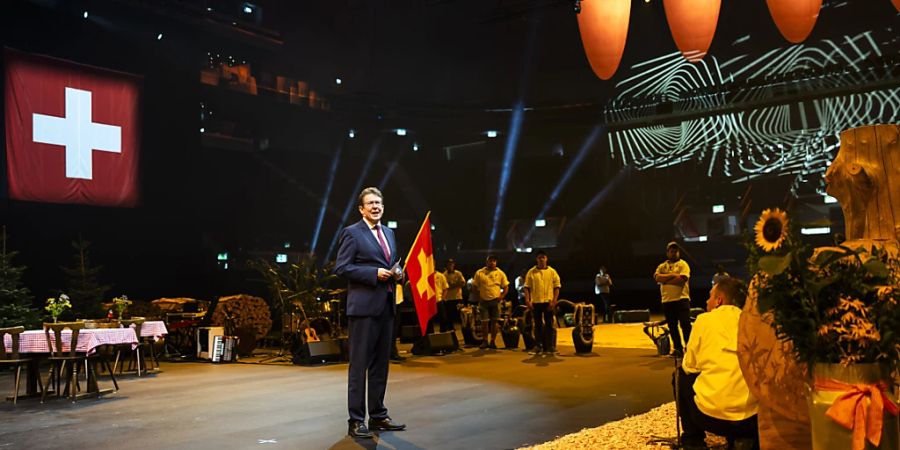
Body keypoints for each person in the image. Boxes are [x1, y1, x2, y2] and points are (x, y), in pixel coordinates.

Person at [334, 187, 406, 439]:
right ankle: (355, 420)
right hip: (363, 308)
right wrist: (373, 274)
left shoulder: (389, 233)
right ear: (361, 209)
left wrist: (398, 274)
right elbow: (342, 267)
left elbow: (391, 264)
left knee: (380, 365)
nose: (375, 207)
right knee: (359, 366)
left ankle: (378, 416)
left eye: (379, 203)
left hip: (386, 305)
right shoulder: (352, 233)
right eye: (370, 203)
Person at [677, 277, 759, 449]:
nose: (707, 301)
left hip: (709, 418)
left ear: (718, 301)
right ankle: (743, 439)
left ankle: (693, 440)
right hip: (752, 419)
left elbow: (689, 366)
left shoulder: (704, 320)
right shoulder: (753, 322)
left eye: (710, 297)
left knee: (681, 375)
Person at [654, 241, 692, 358]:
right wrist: (673, 275)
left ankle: (690, 349)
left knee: (685, 324)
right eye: (671, 251)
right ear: (667, 253)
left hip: (682, 299)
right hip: (667, 300)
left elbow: (682, 279)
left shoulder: (683, 264)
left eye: (676, 251)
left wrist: (665, 279)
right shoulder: (662, 266)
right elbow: (657, 278)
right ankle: (678, 349)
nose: (674, 253)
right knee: (672, 326)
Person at [524, 250, 561, 355]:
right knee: (537, 325)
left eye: (543, 257)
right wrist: (527, 300)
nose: (541, 259)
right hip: (536, 302)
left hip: (548, 302)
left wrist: (554, 301)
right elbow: (527, 287)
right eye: (539, 257)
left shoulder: (552, 272)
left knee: (550, 325)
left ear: (546, 259)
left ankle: (551, 347)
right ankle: (538, 346)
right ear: (536, 259)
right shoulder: (531, 272)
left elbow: (557, 287)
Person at [472, 255, 509, 349]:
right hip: (483, 301)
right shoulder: (480, 273)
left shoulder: (500, 273)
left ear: (496, 262)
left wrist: (501, 296)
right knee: (484, 322)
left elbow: (506, 286)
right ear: (486, 262)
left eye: (494, 261)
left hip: (495, 301)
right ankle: (485, 341)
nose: (492, 262)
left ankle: (493, 341)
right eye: (490, 261)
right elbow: (474, 286)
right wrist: (478, 297)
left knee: (495, 322)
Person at [442, 259, 465, 326]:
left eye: (451, 264)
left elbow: (463, 283)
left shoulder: (458, 273)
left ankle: (464, 329)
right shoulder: (444, 275)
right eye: (449, 264)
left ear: (454, 265)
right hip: (448, 299)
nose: (450, 265)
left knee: (461, 315)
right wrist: (457, 284)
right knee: (449, 316)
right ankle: (451, 330)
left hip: (458, 298)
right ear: (446, 265)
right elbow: (445, 287)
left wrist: (451, 285)